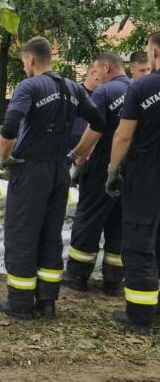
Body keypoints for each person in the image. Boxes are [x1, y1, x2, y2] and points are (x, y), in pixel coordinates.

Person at [0, 37, 106, 320]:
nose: (24, 67)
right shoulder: (72, 87)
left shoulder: (29, 86)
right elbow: (100, 123)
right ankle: (47, 302)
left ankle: (19, 304)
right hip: (60, 171)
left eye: (23, 62)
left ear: (31, 60)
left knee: (22, 233)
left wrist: (4, 157)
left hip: (31, 170)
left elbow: (10, 125)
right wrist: (75, 154)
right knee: (50, 235)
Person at [105, 32, 160, 336]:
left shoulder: (142, 87)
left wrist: (113, 170)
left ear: (154, 51)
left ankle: (139, 316)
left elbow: (123, 135)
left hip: (147, 173)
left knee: (140, 241)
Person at [63, 53, 131, 295]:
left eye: (97, 70)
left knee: (89, 218)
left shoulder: (105, 92)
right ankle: (113, 281)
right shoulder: (138, 89)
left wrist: (74, 155)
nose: (97, 75)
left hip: (104, 163)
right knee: (119, 224)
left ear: (107, 67)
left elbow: (95, 130)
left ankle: (77, 276)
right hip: (131, 167)